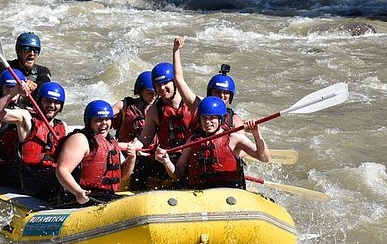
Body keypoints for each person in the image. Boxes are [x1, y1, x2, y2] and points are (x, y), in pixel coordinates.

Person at [155, 96, 270, 190]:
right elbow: (177, 174)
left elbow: (264, 157)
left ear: (221, 119)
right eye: (204, 118)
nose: (208, 122)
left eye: (212, 118)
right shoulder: (193, 141)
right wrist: (167, 161)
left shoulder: (234, 139)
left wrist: (256, 133)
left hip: (229, 191)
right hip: (201, 192)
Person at [0, 80, 69, 206]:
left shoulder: (62, 126)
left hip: (53, 174)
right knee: (57, 180)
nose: (52, 106)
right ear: (39, 100)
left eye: (57, 103)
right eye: (48, 101)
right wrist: (14, 91)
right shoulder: (26, 118)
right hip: (31, 177)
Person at [56, 100, 136, 207]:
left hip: (104, 197)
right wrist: (78, 192)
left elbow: (123, 176)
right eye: (98, 120)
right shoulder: (80, 139)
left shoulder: (111, 142)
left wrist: (131, 158)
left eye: (107, 119)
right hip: (80, 197)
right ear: (89, 122)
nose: (104, 123)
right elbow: (62, 170)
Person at [130, 62, 195, 190]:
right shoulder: (154, 110)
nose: (162, 88)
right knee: (140, 165)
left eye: (165, 83)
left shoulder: (193, 104)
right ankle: (136, 195)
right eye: (158, 85)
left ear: (175, 83)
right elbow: (145, 139)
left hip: (190, 159)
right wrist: (132, 146)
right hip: (168, 158)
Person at [173, 36, 244, 129]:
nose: (222, 96)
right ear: (210, 93)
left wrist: (255, 133)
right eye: (217, 92)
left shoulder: (234, 120)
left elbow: (243, 142)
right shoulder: (197, 106)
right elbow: (179, 79)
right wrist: (176, 50)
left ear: (230, 96)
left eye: (226, 93)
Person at [0, 32, 51, 113]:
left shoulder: (42, 71)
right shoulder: (3, 68)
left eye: (36, 50)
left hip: (23, 119)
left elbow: (45, 84)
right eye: (27, 49)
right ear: (19, 51)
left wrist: (34, 85)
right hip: (1, 116)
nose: (32, 53)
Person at [112, 71, 157, 143]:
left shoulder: (159, 109)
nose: (153, 97)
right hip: (124, 149)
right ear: (140, 91)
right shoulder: (124, 105)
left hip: (148, 151)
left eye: (156, 93)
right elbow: (103, 117)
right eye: (149, 93)